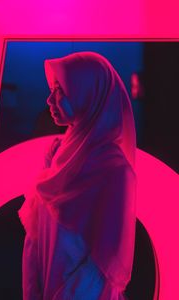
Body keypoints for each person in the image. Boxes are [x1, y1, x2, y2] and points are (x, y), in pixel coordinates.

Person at [18, 51, 137, 300]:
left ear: (89, 94)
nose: (50, 100)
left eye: (61, 90)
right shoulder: (55, 155)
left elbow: (107, 265)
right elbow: (34, 237)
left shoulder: (115, 171)